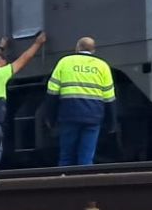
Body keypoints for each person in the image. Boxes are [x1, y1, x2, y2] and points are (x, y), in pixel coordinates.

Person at [0, 32, 48, 173]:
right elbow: (24, 59)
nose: (6, 64)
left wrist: (1, 47)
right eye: (4, 63)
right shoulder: (0, 74)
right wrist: (38, 43)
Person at [46, 36, 116, 167]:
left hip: (69, 115)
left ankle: (64, 183)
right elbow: (109, 98)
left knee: (66, 156)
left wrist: (50, 118)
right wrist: (112, 122)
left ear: (77, 48)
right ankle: (86, 184)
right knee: (86, 158)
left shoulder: (65, 62)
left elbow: (52, 92)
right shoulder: (102, 66)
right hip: (93, 117)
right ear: (93, 50)